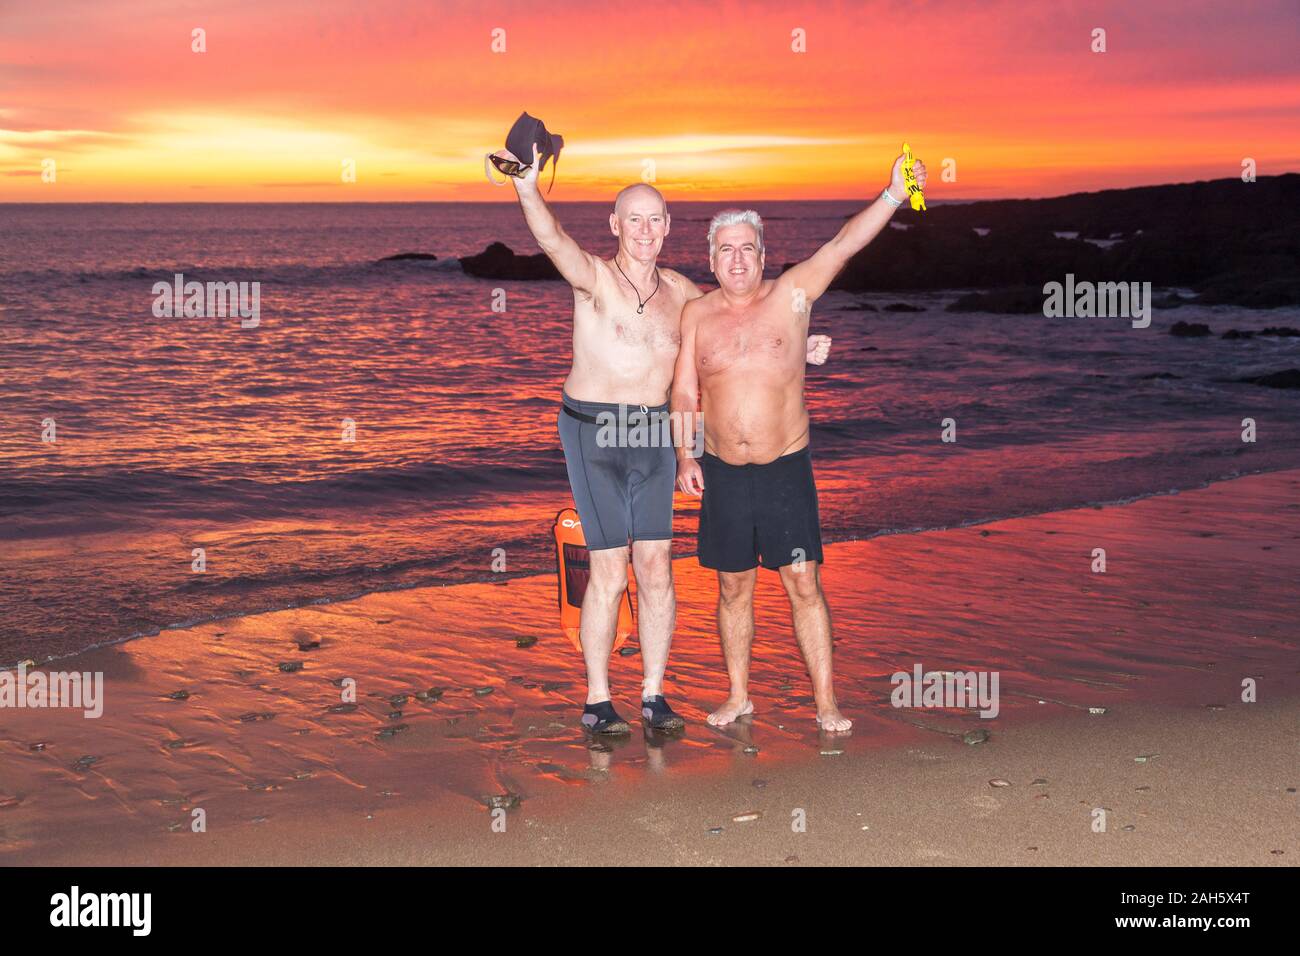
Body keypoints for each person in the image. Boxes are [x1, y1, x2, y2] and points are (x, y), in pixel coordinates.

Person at [495, 143, 832, 734]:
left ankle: (653, 694)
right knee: (610, 568)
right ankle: (599, 700)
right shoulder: (594, 279)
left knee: (656, 566)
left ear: (669, 227)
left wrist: (803, 345)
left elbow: (740, 332)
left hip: (652, 432)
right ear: (615, 225)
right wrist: (527, 186)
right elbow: (552, 240)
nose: (645, 230)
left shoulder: (682, 295)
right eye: (634, 218)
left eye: (656, 219)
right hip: (594, 431)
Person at [672, 150, 927, 733]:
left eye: (747, 248)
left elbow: (841, 246)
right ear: (711, 258)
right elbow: (684, 392)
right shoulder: (696, 314)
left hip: (784, 469)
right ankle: (739, 696)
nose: (737, 258)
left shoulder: (791, 295)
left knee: (803, 583)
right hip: (723, 472)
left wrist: (891, 194)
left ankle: (827, 702)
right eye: (725, 249)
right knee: (732, 587)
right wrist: (685, 454)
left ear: (763, 255)